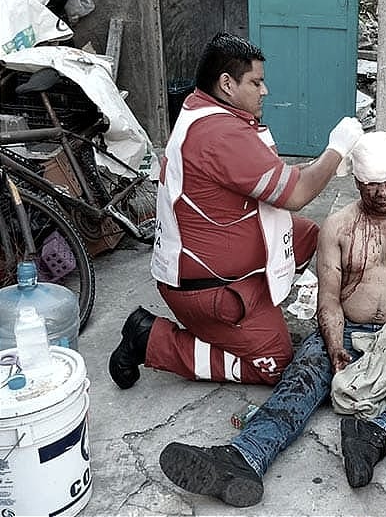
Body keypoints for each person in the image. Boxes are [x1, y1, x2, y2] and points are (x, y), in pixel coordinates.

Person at [156, 131, 386, 507]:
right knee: (304, 372)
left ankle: (376, 436)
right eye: (373, 185)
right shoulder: (338, 225)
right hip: (350, 332)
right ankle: (243, 457)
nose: (384, 192)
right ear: (357, 183)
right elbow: (329, 297)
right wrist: (335, 345)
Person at [109, 32, 364, 389]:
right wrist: (336, 149)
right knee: (275, 364)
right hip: (208, 288)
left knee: (313, 237)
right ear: (227, 84)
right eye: (256, 83)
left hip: (215, 258)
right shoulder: (220, 134)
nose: (265, 91)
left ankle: (259, 311)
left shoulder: (205, 110)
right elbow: (296, 195)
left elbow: (275, 176)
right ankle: (151, 339)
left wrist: (322, 165)